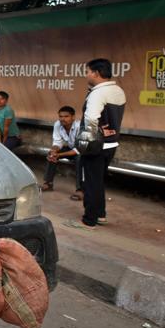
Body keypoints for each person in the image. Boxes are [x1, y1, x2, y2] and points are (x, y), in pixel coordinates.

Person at [65, 58, 126, 230]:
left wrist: (87, 140)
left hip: (96, 146)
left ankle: (88, 221)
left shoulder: (97, 93)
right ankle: (100, 215)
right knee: (97, 181)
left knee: (89, 183)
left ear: (96, 73)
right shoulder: (118, 90)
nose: (86, 75)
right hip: (111, 144)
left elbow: (91, 118)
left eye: (87, 71)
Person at [41, 106, 83, 200]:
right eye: (60, 116)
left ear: (73, 117)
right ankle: (48, 183)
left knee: (80, 159)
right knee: (51, 154)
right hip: (71, 148)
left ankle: (80, 190)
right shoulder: (57, 124)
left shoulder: (80, 126)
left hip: (83, 151)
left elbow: (79, 150)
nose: (62, 119)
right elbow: (57, 142)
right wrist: (54, 151)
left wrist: (59, 154)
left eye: (66, 116)